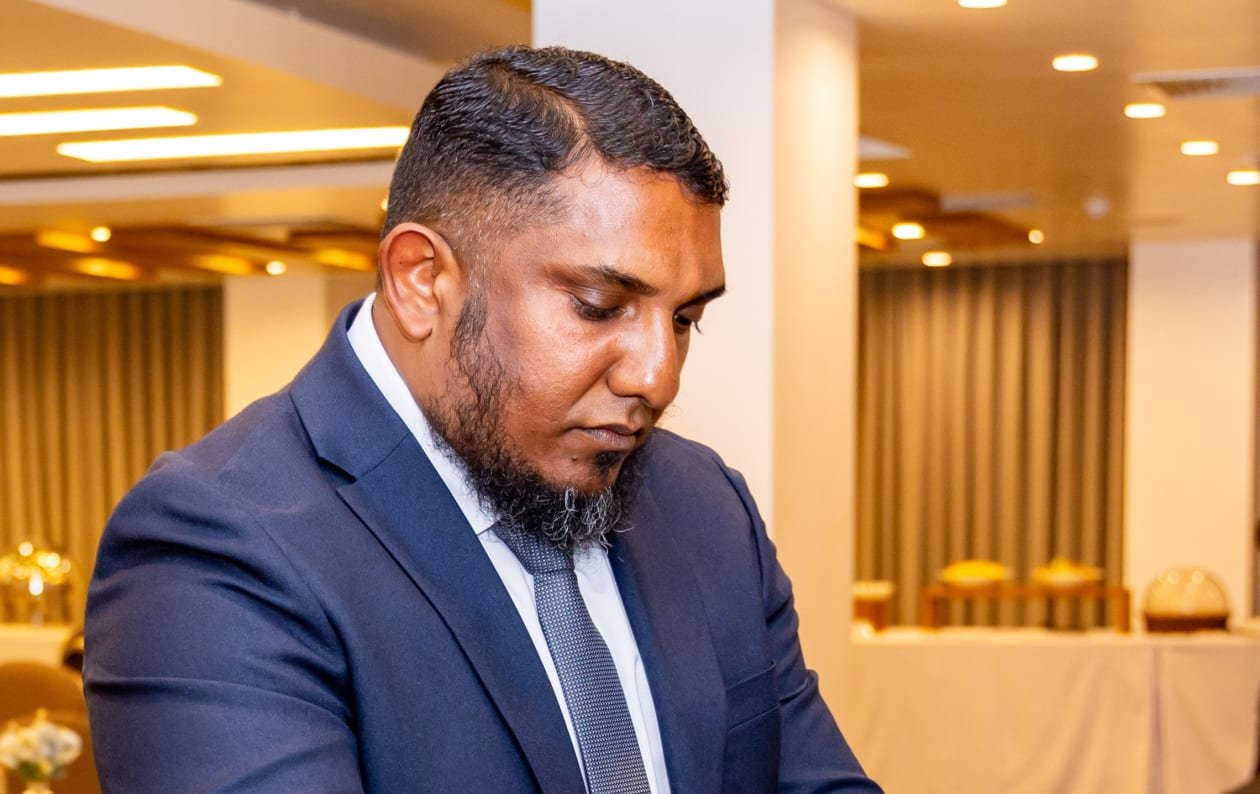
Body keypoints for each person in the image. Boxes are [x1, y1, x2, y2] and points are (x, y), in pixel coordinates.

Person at [84, 45, 881, 793]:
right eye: (598, 306)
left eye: (684, 319)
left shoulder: (704, 504)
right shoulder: (219, 547)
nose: (656, 376)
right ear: (421, 280)